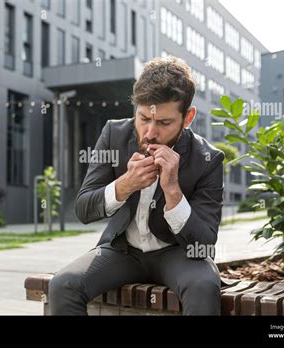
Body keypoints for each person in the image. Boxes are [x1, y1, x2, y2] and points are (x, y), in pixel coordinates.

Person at [49, 56, 225, 315]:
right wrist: (124, 185)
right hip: (123, 252)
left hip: (177, 254)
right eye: (143, 118)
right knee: (63, 285)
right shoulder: (114, 134)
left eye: (164, 123)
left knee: (203, 286)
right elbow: (84, 209)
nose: (150, 132)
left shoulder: (208, 158)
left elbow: (205, 244)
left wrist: (173, 190)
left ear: (187, 117)